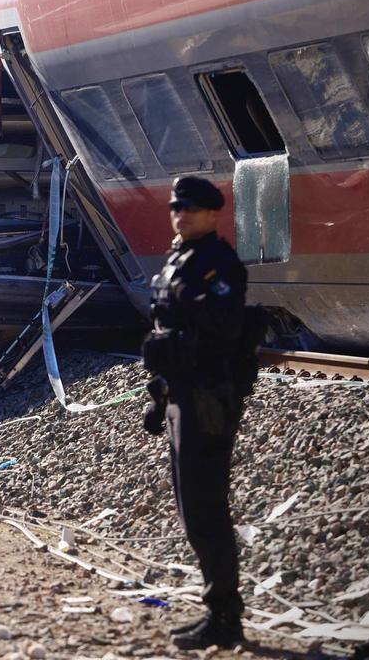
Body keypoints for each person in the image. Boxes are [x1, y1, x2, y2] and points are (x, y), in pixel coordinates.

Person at [142, 176, 253, 650]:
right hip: (181, 396)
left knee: (206, 510)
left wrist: (175, 341)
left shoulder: (219, 262)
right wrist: (158, 396)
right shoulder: (180, 258)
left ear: (213, 214)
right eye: (176, 207)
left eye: (191, 208)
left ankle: (225, 617)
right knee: (192, 511)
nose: (181, 214)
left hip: (208, 397)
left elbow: (224, 327)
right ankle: (217, 611)